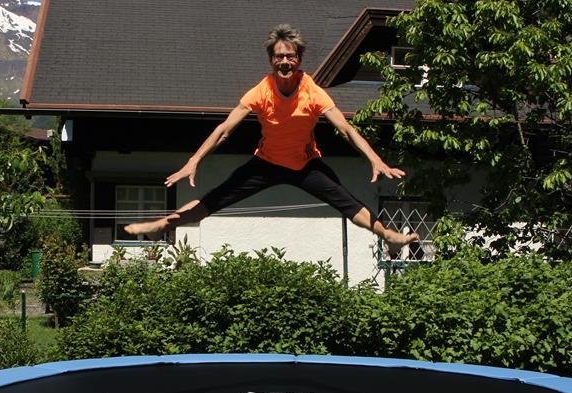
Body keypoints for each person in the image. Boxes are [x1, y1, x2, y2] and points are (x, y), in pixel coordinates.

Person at [126, 24, 419, 256]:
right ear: (271, 61)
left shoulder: (313, 92)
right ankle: (162, 224)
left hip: (305, 165)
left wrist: (375, 159)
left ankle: (389, 237)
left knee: (347, 202)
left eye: (290, 56)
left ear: (298, 60)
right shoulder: (261, 91)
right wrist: (194, 161)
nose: (285, 61)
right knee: (213, 200)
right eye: (279, 57)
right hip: (265, 163)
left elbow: (345, 129)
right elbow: (225, 129)